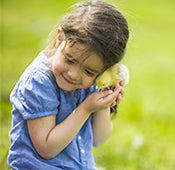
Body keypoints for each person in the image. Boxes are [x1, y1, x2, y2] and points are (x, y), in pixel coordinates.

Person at [7, 0, 129, 169]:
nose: (73, 74)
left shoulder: (94, 83)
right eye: (69, 59)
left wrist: (102, 105)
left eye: (88, 71)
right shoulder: (39, 80)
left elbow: (98, 139)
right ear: (59, 38)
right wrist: (85, 108)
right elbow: (46, 148)